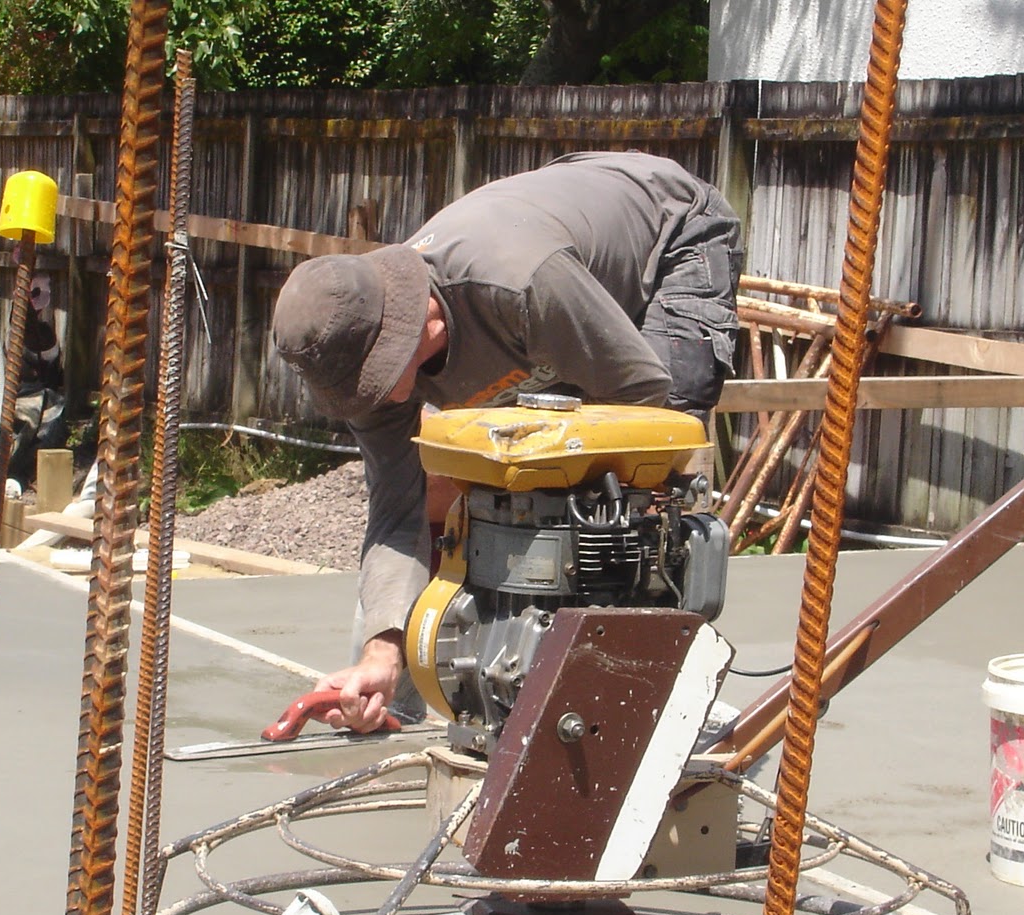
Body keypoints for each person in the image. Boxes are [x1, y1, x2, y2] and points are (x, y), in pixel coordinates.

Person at [271, 150, 743, 732]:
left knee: (653, 461)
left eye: (377, 380)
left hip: (671, 229)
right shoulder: (365, 355)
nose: (378, 398)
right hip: (560, 279)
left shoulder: (519, 283)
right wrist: (384, 649)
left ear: (427, 324)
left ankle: (659, 687)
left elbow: (642, 400)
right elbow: (399, 510)